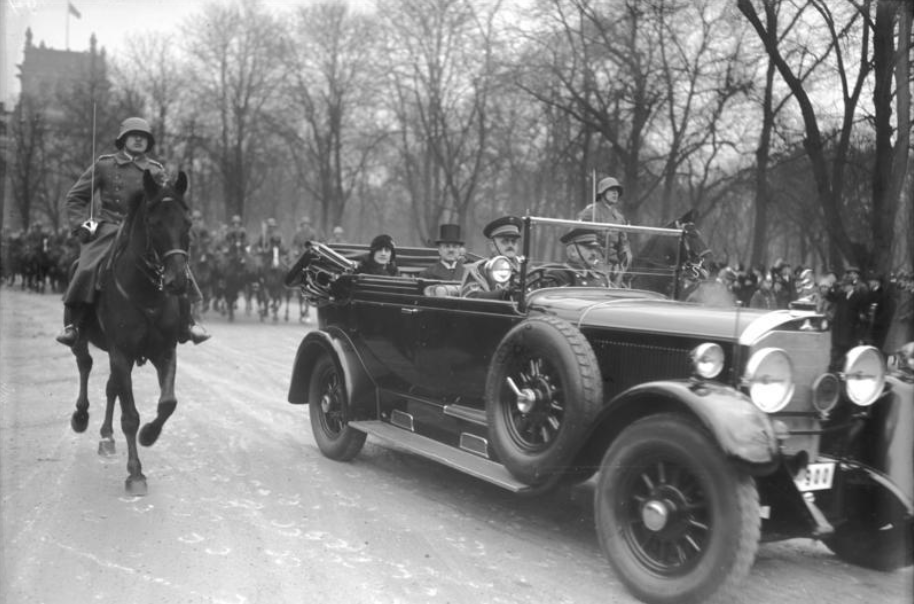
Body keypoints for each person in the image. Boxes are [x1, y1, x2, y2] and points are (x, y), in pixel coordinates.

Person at [56, 117, 210, 346]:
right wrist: (83, 225)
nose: (139, 140)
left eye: (144, 137)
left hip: (143, 230)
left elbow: (165, 203)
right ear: (123, 139)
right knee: (86, 265)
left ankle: (188, 321)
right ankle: (75, 325)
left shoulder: (155, 170)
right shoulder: (104, 165)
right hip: (109, 227)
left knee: (178, 264)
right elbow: (75, 198)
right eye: (134, 135)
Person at [577, 176, 631, 284]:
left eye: (617, 191)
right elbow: (577, 241)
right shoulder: (590, 213)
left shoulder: (620, 218)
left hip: (613, 268)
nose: (615, 193)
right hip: (592, 266)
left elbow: (623, 245)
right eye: (611, 190)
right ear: (602, 193)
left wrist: (624, 264)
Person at [460, 215, 523, 298]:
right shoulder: (478, 270)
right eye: (505, 241)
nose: (510, 245)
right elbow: (470, 296)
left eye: (513, 242)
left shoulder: (525, 269)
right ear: (492, 246)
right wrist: (502, 294)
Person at [540, 228, 611, 288]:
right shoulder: (559, 276)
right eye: (589, 248)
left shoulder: (601, 278)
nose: (594, 253)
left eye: (595, 248)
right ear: (572, 252)